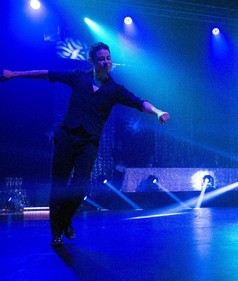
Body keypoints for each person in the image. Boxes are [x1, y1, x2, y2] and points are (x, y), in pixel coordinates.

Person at [1, 42, 170, 246]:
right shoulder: (79, 77)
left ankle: (65, 221)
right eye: (101, 58)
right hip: (66, 138)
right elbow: (47, 74)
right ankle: (57, 232)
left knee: (80, 186)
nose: (106, 62)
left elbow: (139, 103)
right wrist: (15, 74)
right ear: (92, 61)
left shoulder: (115, 90)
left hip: (88, 142)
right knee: (59, 184)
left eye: (108, 58)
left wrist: (159, 112)